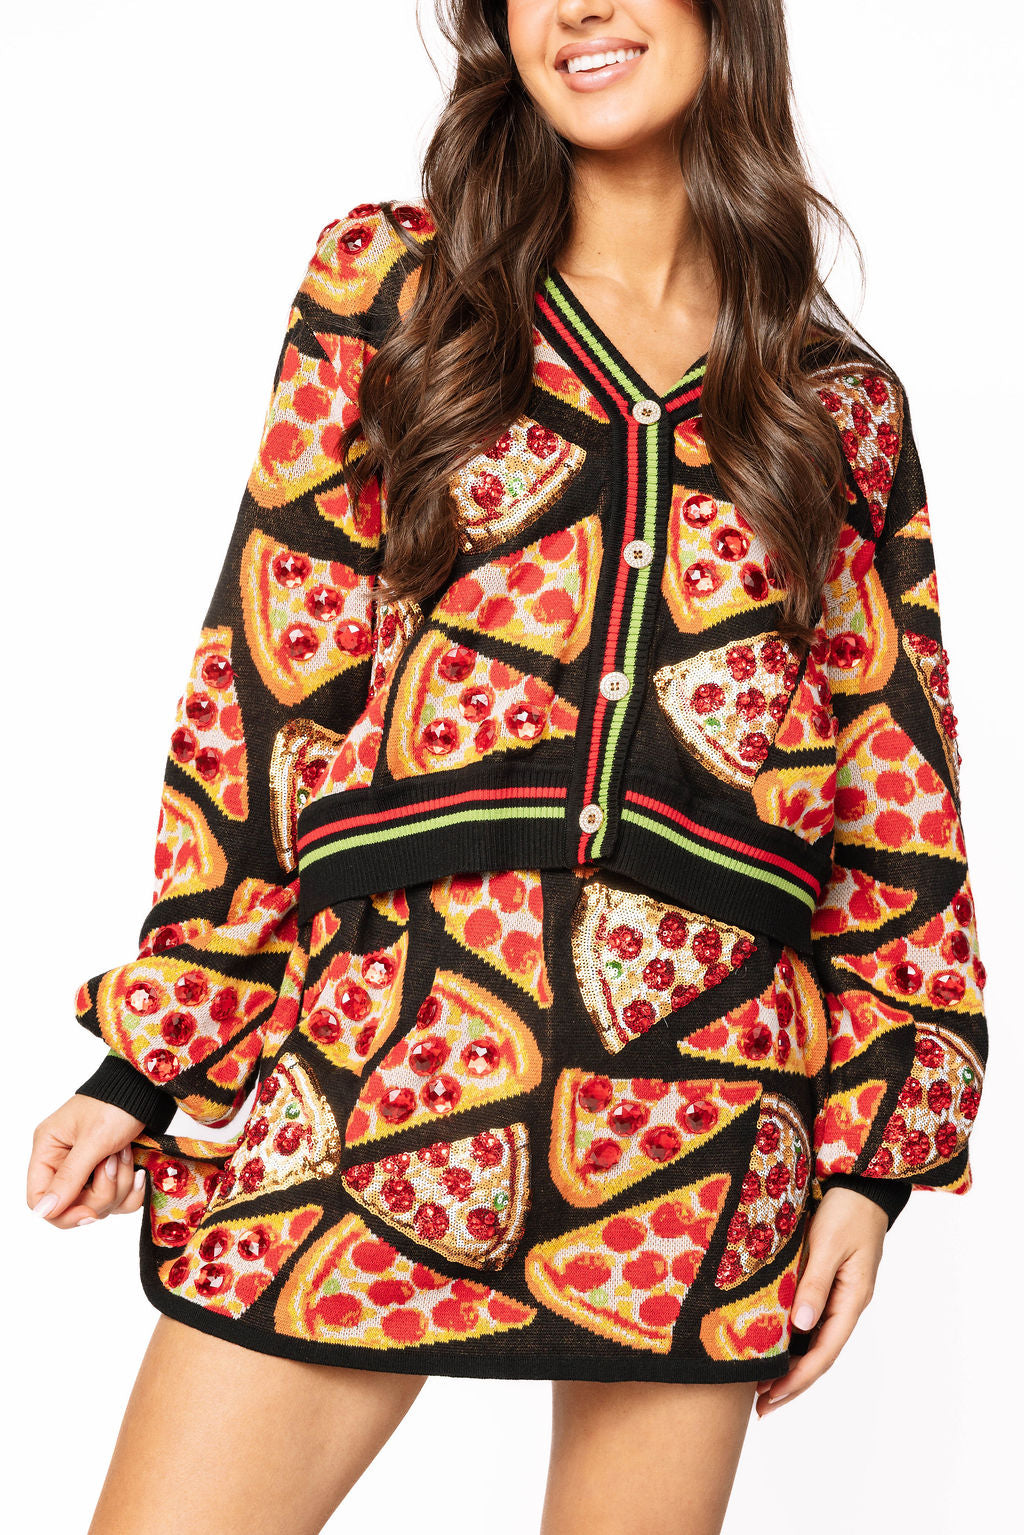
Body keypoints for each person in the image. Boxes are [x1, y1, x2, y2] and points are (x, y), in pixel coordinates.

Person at [26, 3, 989, 1533]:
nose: (578, 8)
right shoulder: (397, 290)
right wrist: (157, 1051)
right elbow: (267, 686)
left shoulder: (836, 405)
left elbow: (897, 807)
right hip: (385, 1052)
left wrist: (874, 1166)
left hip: (704, 1120)